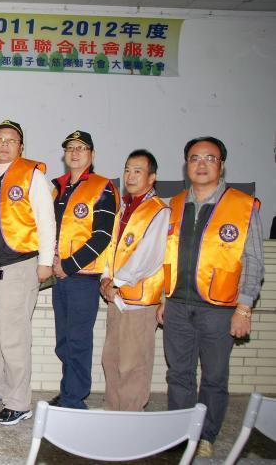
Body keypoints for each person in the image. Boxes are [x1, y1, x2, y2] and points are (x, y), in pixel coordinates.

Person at [159, 136, 264, 458]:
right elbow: (164, 255)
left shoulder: (242, 206)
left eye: (210, 158)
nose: (201, 164)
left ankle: (206, 435)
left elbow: (253, 261)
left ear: (222, 165)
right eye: (194, 158)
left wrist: (244, 308)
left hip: (219, 309)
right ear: (186, 164)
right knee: (179, 374)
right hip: (177, 305)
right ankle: (181, 434)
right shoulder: (174, 204)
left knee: (215, 377)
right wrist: (162, 299)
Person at [0, 120, 56, 425]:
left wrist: (45, 262)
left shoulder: (32, 175)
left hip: (17, 267)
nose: (5, 144)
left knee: (14, 339)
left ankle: (19, 403)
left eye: (12, 140)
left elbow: (46, 221)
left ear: (21, 147)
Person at [50, 130, 118, 409]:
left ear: (92, 154)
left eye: (81, 148)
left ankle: (74, 400)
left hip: (82, 278)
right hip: (59, 278)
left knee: (78, 341)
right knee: (63, 342)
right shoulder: (58, 188)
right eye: (70, 148)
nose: (75, 153)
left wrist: (68, 265)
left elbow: (102, 236)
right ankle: (69, 391)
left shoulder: (103, 187)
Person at [99, 149, 169, 411]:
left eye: (138, 171)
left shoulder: (158, 211)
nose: (130, 176)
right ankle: (113, 411)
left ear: (152, 177)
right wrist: (106, 279)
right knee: (111, 359)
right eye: (127, 170)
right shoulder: (124, 207)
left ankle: (130, 416)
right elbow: (112, 248)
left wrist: (116, 281)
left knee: (133, 363)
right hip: (117, 297)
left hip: (140, 301)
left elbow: (148, 257)